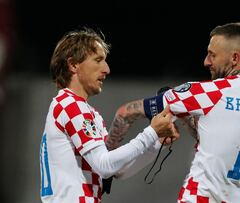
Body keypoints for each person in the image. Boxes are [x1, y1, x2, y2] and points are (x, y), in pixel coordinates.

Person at [106, 22, 240, 203]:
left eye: (212, 55)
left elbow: (125, 112)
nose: (206, 61)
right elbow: (219, 140)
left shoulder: (210, 93)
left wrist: (107, 166)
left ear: (234, 58)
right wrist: (189, 120)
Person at [39, 27, 179, 203]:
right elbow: (104, 166)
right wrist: (150, 132)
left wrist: (157, 142)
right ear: (73, 65)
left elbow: (117, 170)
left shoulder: (83, 110)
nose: (106, 69)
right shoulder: (70, 105)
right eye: (98, 60)